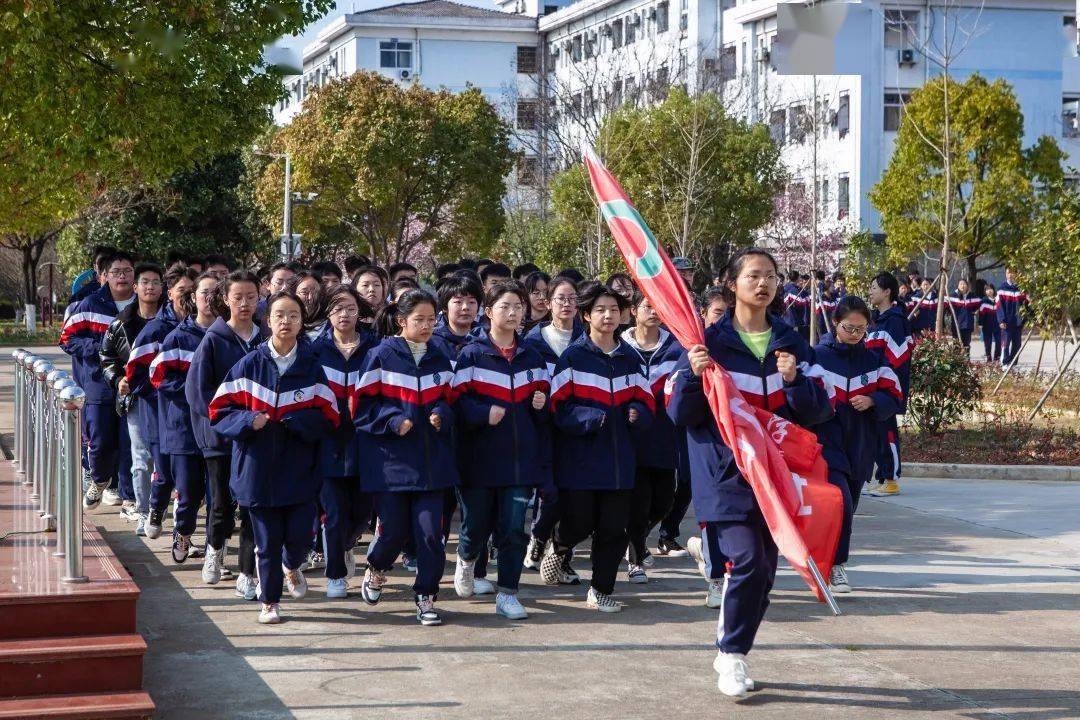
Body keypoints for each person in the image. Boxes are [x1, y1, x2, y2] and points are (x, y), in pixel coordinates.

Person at [670, 248, 832, 697]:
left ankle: (733, 648)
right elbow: (680, 414)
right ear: (732, 282)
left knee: (764, 570)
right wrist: (689, 372)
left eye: (771, 277)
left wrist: (796, 381)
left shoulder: (791, 342)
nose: (763, 284)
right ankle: (732, 654)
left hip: (777, 475)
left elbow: (820, 410)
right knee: (745, 561)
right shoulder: (707, 342)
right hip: (725, 472)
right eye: (754, 276)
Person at [209, 291, 339, 624]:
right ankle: (269, 601)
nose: (286, 321)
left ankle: (292, 566)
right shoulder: (248, 365)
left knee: (299, 539)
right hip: (256, 471)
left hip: (300, 471)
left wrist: (299, 423)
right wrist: (247, 421)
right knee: (266, 543)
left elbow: (331, 416)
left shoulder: (312, 368)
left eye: (293, 316)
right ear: (268, 321)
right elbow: (219, 410)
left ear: (302, 323)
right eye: (279, 315)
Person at [540, 283, 654, 612]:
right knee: (579, 521)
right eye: (601, 310)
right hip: (581, 462)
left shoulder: (630, 359)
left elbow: (647, 402)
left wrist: (640, 414)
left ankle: (601, 589)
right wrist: (591, 419)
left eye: (614, 310)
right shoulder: (573, 358)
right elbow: (557, 408)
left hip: (620, 463)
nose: (608, 315)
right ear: (586, 315)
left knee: (613, 529)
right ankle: (560, 545)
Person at [354, 289, 458, 626]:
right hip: (392, 463)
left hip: (432, 463)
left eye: (432, 320)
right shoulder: (381, 355)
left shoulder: (440, 355)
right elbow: (361, 407)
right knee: (394, 531)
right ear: (402, 321)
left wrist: (442, 412)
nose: (428, 326)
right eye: (420, 320)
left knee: (430, 533)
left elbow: (450, 397)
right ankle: (377, 567)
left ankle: (426, 596)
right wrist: (393, 421)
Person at [450, 281, 550, 620]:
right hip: (479, 460)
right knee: (476, 525)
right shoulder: (472, 354)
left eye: (518, 307)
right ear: (489, 312)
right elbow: (456, 403)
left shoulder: (532, 355)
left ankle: (508, 593)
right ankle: (465, 559)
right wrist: (482, 414)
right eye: (505, 306)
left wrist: (541, 402)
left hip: (520, 462)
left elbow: (544, 402)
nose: (513, 313)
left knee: (512, 529)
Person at [812, 296, 902, 594]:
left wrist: (873, 400)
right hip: (827, 444)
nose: (855, 334)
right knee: (840, 503)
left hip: (862, 446)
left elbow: (894, 397)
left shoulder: (875, 361)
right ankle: (837, 566)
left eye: (861, 329)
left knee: (847, 508)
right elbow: (801, 398)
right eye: (849, 327)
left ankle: (827, 561)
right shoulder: (817, 358)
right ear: (835, 323)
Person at [186, 271, 265, 598]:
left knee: (250, 504)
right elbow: (197, 392)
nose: (245, 304)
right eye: (238, 297)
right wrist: (228, 422)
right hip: (220, 439)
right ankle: (215, 549)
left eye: (251, 297)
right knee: (220, 504)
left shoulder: (267, 338)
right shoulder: (214, 339)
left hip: (257, 439)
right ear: (225, 300)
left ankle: (247, 572)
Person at [312, 287, 377, 598]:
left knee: (361, 513)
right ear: (328, 312)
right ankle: (335, 574)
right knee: (333, 514)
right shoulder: (315, 350)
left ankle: (348, 544)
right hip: (329, 444)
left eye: (350, 308)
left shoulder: (375, 349)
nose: (344, 315)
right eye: (337, 308)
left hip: (367, 444)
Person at [151, 271, 219, 564]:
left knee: (218, 496)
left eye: (216, 293)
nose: (210, 299)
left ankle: (214, 549)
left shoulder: (227, 335)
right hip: (184, 426)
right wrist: (195, 393)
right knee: (189, 491)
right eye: (204, 292)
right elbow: (158, 376)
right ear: (193, 297)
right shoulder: (178, 337)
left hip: (218, 428)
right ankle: (183, 531)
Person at [63, 250, 137, 511]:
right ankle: (99, 478)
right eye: (116, 272)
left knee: (131, 444)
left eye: (128, 271)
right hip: (99, 385)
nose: (122, 277)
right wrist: (102, 349)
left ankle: (130, 498)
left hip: (133, 385)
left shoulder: (143, 305)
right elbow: (67, 339)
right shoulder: (90, 304)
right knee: (101, 441)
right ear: (105, 276)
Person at [127, 265, 197, 540]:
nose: (188, 296)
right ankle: (156, 509)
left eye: (193, 291)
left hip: (190, 417)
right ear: (170, 293)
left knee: (187, 480)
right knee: (164, 472)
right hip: (158, 414)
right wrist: (163, 396)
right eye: (182, 291)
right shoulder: (155, 329)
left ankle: (184, 532)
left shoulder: (202, 329)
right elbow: (135, 375)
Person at [520, 276, 583, 571]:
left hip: (576, 429)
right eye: (561, 298)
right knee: (550, 492)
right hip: (542, 428)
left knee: (573, 494)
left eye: (572, 298)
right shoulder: (533, 341)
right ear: (548, 303)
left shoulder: (586, 339)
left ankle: (560, 557)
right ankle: (539, 536)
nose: (567, 304)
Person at [621, 292, 684, 583]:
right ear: (634, 310)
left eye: (659, 305)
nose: (654, 311)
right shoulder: (620, 346)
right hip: (630, 438)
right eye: (648, 306)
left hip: (664, 437)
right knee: (638, 501)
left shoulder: (676, 346)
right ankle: (635, 559)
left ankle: (633, 537)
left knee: (663, 502)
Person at [100, 263, 164, 534]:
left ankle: (162, 511)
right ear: (135, 287)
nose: (150, 287)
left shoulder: (173, 323)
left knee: (167, 460)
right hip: (136, 398)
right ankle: (143, 511)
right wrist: (118, 380)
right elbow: (106, 358)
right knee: (140, 457)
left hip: (167, 399)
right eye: (145, 282)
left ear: (164, 288)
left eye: (155, 282)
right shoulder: (120, 323)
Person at [865, 272, 913, 497]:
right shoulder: (877, 320)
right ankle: (883, 477)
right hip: (874, 387)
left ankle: (892, 479)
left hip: (886, 388)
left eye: (875, 287)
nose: (871, 291)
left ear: (887, 292)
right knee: (877, 433)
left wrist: (881, 381)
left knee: (887, 433)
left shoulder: (894, 321)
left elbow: (896, 358)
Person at [432, 274, 484, 362]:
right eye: (458, 302)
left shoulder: (486, 339)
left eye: (471, 302)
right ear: (445, 307)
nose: (465, 307)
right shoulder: (433, 342)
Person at [997, 268, 1029, 367]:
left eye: (1013, 272)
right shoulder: (1001, 289)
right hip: (1006, 323)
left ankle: (1013, 364)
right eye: (1008, 273)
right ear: (1005, 274)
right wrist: (1001, 320)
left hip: (1018, 322)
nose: (1010, 275)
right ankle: (1005, 364)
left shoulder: (1021, 288)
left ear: (1016, 274)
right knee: (1005, 345)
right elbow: (999, 306)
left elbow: (1026, 305)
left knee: (1017, 345)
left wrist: (1026, 319)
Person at [949, 278, 979, 351]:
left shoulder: (972, 296)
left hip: (967, 325)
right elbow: (946, 307)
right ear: (958, 286)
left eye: (964, 284)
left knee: (966, 344)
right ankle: (957, 361)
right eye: (961, 284)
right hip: (956, 325)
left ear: (967, 285)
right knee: (956, 344)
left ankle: (966, 361)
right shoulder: (952, 296)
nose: (962, 286)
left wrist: (975, 311)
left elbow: (978, 305)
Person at [980, 284, 1001, 363]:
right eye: (987, 289)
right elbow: (981, 313)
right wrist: (980, 324)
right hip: (987, 325)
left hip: (997, 324)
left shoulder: (997, 300)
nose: (989, 290)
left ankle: (997, 358)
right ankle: (988, 358)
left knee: (998, 341)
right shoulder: (984, 300)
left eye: (990, 289)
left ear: (993, 289)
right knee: (987, 343)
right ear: (985, 291)